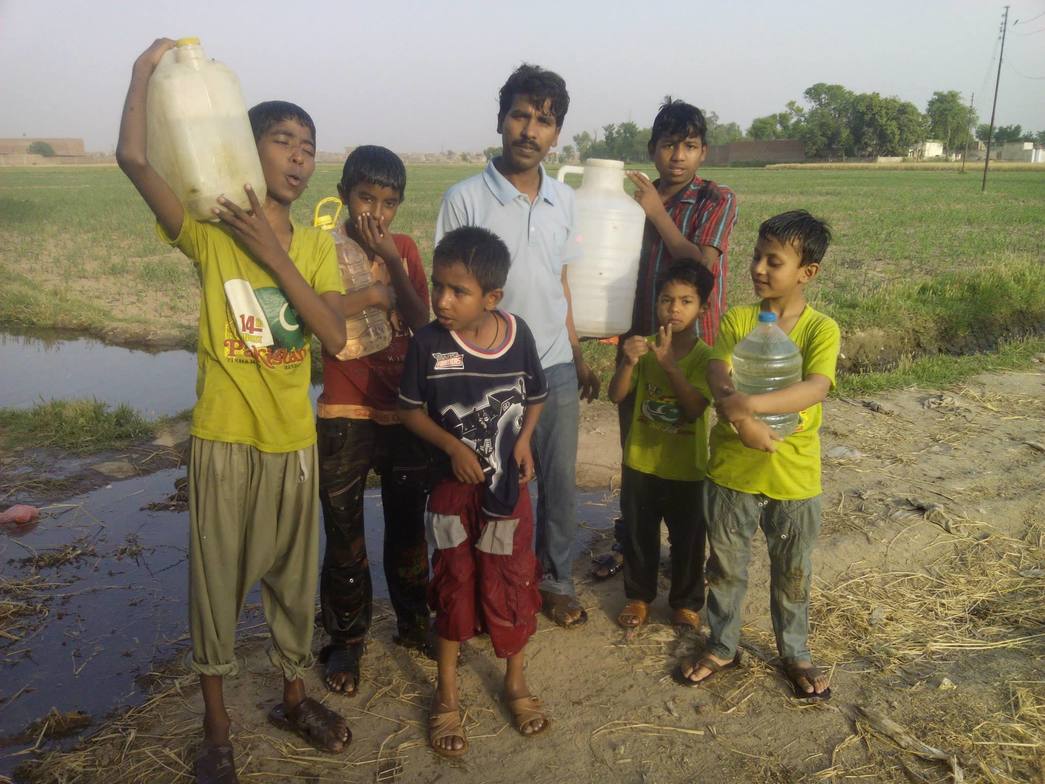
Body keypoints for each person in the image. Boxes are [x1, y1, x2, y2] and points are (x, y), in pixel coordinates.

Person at [116, 38, 351, 783]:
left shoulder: (314, 247)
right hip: (224, 439)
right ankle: (216, 727)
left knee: (294, 584)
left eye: (308, 146)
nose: (298, 157)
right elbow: (134, 161)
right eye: (282, 140)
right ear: (244, 149)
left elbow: (334, 334)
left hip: (293, 442)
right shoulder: (209, 233)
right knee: (216, 588)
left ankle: (292, 698)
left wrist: (273, 253)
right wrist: (142, 74)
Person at [435, 64, 598, 628]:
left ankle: (555, 580)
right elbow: (450, 292)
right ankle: (491, 586)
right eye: (521, 116)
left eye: (544, 121)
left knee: (558, 481)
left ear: (557, 134)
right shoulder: (464, 198)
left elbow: (560, 282)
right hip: (489, 374)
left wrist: (576, 353)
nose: (531, 130)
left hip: (553, 364)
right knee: (491, 482)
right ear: (501, 120)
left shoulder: (564, 200)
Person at [398, 226, 551, 757]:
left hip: (507, 493)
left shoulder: (518, 334)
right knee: (453, 582)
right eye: (438, 286)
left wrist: (524, 441)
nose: (442, 300)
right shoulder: (427, 344)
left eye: (457, 291)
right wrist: (452, 447)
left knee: (511, 579)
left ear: (491, 297)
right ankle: (446, 694)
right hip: (449, 495)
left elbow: (535, 396)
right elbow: (408, 411)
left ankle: (515, 682)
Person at [675, 210, 838, 702]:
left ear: (807, 272)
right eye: (755, 256)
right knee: (725, 567)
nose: (758, 268)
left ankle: (795, 652)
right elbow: (718, 371)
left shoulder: (820, 329)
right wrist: (742, 421)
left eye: (774, 261)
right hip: (732, 472)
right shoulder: (740, 320)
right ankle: (722, 644)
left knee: (792, 572)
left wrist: (750, 407)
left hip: (793, 477)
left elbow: (815, 387)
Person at [592, 97, 738, 582]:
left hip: (693, 348)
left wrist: (656, 213)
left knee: (687, 439)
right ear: (653, 149)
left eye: (690, 146)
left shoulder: (716, 199)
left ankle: (690, 547)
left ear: (703, 152)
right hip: (641, 341)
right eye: (669, 144)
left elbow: (700, 265)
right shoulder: (633, 199)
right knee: (637, 442)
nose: (678, 155)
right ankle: (634, 542)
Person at [316, 146, 433, 696]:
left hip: (402, 410)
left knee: (408, 526)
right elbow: (314, 311)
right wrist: (368, 292)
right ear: (344, 195)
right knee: (343, 533)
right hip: (345, 409)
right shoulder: (324, 248)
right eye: (366, 198)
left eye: (389, 203)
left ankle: (413, 621)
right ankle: (346, 638)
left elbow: (421, 322)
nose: (376, 213)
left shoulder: (403, 248)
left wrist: (392, 259)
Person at [607, 260, 715, 630]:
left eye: (686, 301)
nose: (674, 309)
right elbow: (616, 395)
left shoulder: (707, 358)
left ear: (703, 309)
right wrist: (627, 361)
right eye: (666, 300)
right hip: (641, 462)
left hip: (687, 468)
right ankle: (638, 597)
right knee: (639, 534)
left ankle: (685, 602)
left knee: (688, 540)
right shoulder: (644, 349)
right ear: (655, 304)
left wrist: (670, 365)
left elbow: (695, 409)